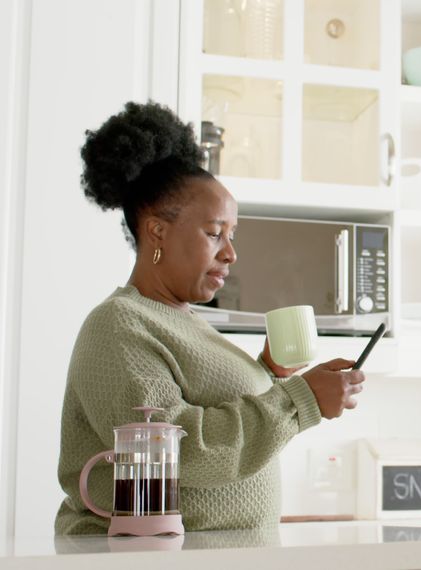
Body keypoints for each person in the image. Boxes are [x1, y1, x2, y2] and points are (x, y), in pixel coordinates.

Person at [54, 101, 365, 535]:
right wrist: (300, 400)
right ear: (156, 231)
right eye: (214, 233)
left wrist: (271, 374)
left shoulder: (188, 323)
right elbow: (180, 448)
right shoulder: (119, 325)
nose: (231, 253)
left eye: (232, 236)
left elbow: (224, 418)